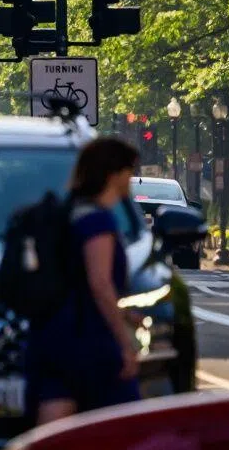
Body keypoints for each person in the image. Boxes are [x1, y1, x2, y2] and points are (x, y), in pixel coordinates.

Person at [22, 137, 144, 426]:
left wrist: (124, 312)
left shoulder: (69, 214)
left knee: (53, 431)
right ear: (113, 174)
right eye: (130, 170)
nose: (132, 179)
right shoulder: (97, 222)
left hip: (52, 337)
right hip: (91, 342)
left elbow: (72, 282)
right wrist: (124, 341)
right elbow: (99, 283)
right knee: (127, 428)